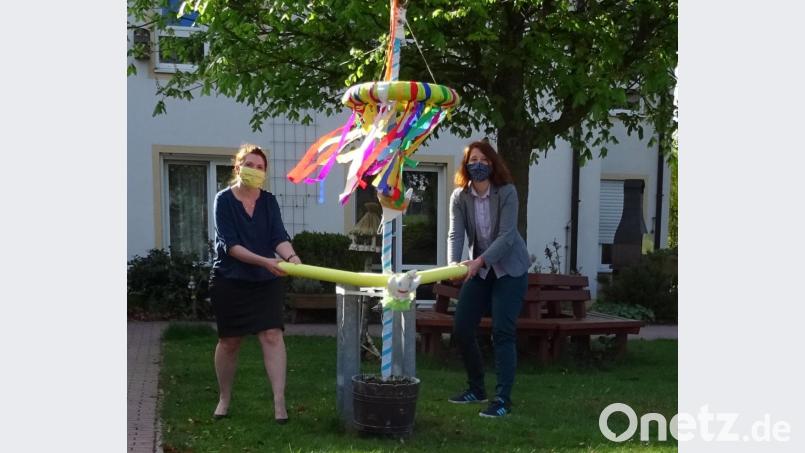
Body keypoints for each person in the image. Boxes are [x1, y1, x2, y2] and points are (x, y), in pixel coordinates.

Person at [209, 143, 302, 424]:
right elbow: (231, 246)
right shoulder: (223, 200)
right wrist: (266, 262)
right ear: (238, 168)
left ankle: (279, 404)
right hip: (230, 279)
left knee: (272, 336)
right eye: (249, 165)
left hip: (265, 281)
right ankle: (224, 398)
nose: (255, 170)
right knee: (229, 341)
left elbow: (278, 236)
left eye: (260, 167)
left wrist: (292, 258)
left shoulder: (269, 201)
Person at [446, 140, 531, 418]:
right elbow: (456, 234)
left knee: (503, 332)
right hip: (480, 271)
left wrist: (479, 261)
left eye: (483, 160)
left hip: (510, 270)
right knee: (461, 327)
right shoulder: (460, 197)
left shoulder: (506, 192)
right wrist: (453, 267)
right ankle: (476, 389)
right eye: (473, 160)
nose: (477, 165)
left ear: (492, 164)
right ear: (466, 165)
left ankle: (503, 399)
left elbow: (507, 236)